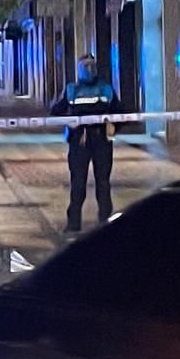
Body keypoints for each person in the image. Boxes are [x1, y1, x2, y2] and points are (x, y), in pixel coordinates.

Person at [48, 54, 123, 234]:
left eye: (91, 66)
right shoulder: (71, 90)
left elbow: (121, 112)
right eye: (86, 66)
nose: (89, 70)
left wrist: (114, 127)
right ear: (79, 69)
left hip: (100, 140)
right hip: (79, 140)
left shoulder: (106, 89)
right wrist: (69, 120)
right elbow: (55, 111)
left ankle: (105, 220)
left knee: (103, 183)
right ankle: (74, 223)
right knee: (78, 183)